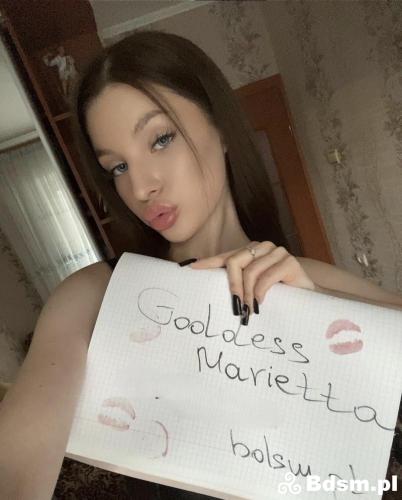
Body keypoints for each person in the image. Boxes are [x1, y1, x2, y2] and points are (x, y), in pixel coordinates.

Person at [1, 29, 402, 500]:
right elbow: (15, 466)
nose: (141, 188)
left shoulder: (309, 279)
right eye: (118, 167)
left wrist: (318, 312)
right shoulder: (95, 294)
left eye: (160, 139)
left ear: (220, 127)